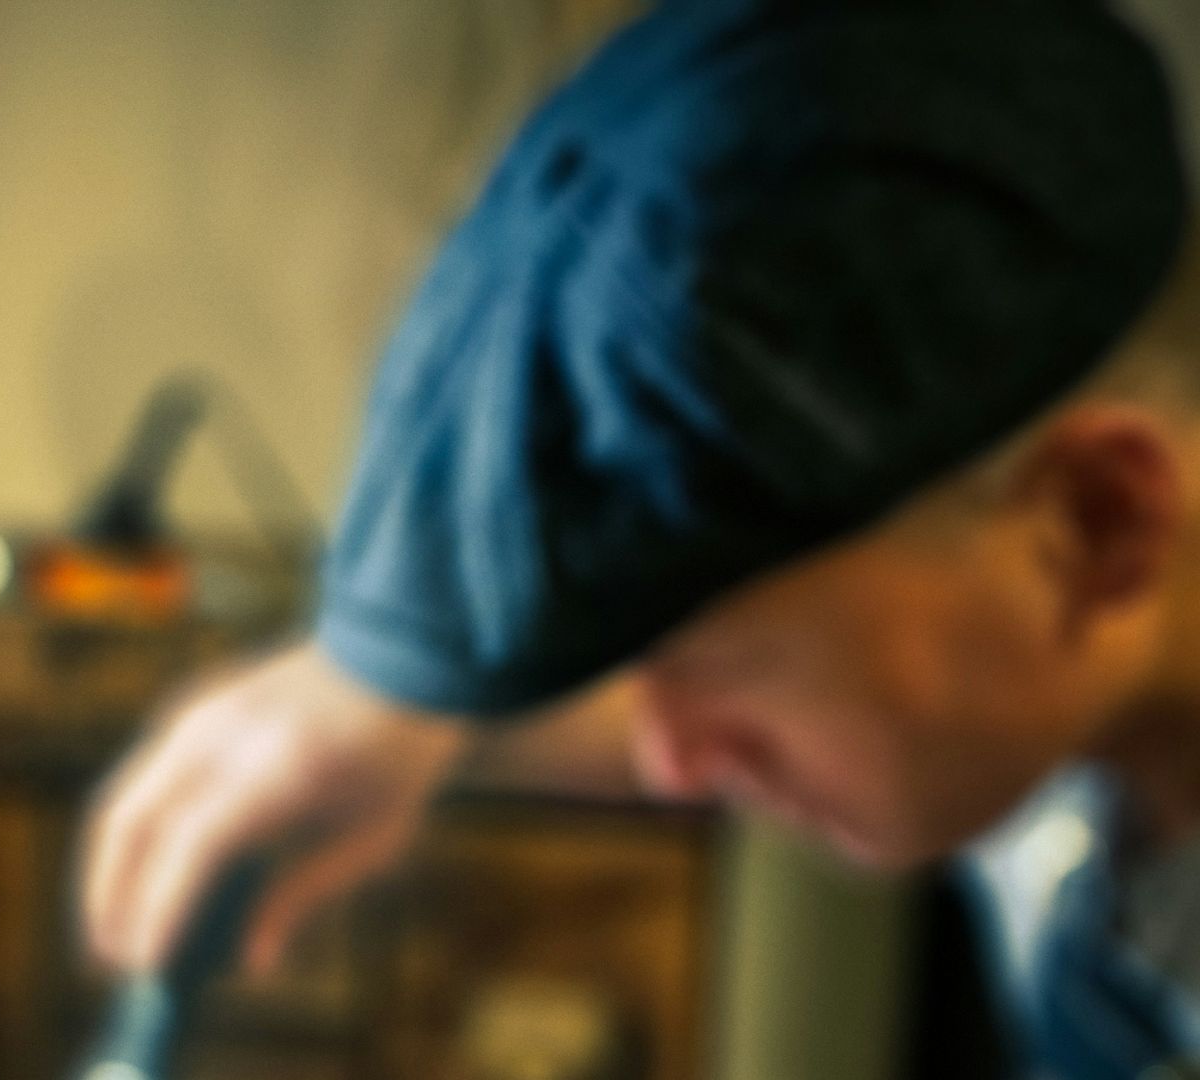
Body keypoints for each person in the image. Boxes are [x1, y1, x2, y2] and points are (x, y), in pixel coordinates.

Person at [79, 0, 1200, 1075]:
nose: (667, 759)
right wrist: (395, 708)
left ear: (1098, 524)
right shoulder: (1037, 692)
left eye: (712, 664)